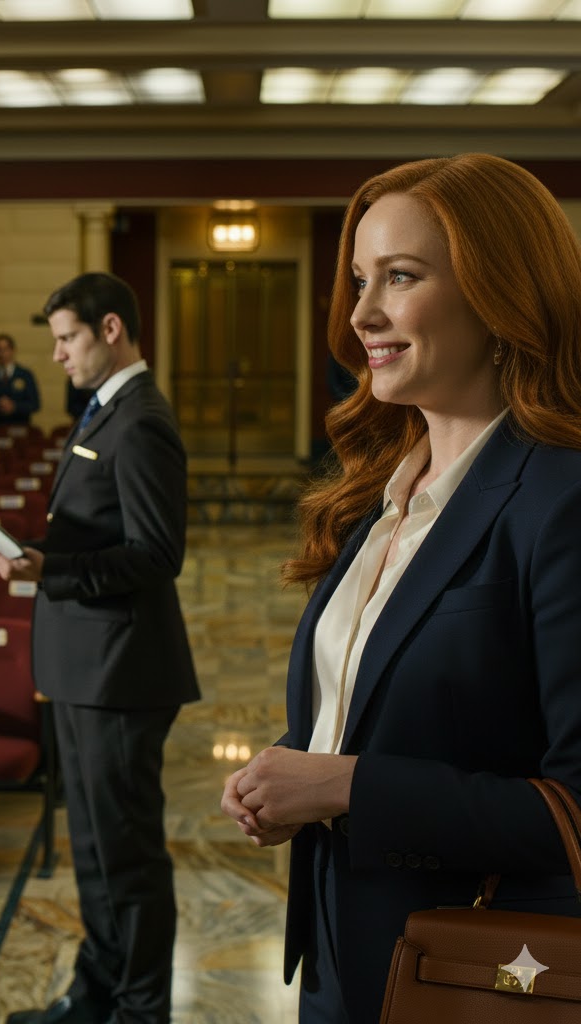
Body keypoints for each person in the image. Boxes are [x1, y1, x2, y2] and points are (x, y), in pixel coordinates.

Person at [220, 153, 581, 1023]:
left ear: (504, 296)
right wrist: (291, 774)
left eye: (402, 277)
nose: (362, 314)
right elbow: (400, 706)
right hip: (347, 954)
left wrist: (345, 787)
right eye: (357, 279)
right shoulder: (381, 497)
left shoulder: (562, 501)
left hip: (481, 976)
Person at [0, 272, 200, 1024]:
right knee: (97, 853)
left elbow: (155, 555)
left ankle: (142, 1012)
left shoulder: (140, 420)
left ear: (111, 330)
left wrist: (53, 570)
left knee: (127, 858)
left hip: (121, 671)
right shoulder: (105, 410)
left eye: (67, 338)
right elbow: (98, 532)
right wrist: (36, 551)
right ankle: (95, 996)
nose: (57, 355)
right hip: (86, 668)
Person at [0, 331, 40, 427]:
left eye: (5, 349)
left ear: (12, 350)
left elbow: (35, 404)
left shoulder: (25, 375)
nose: (2, 353)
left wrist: (15, 407)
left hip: (21, 428)